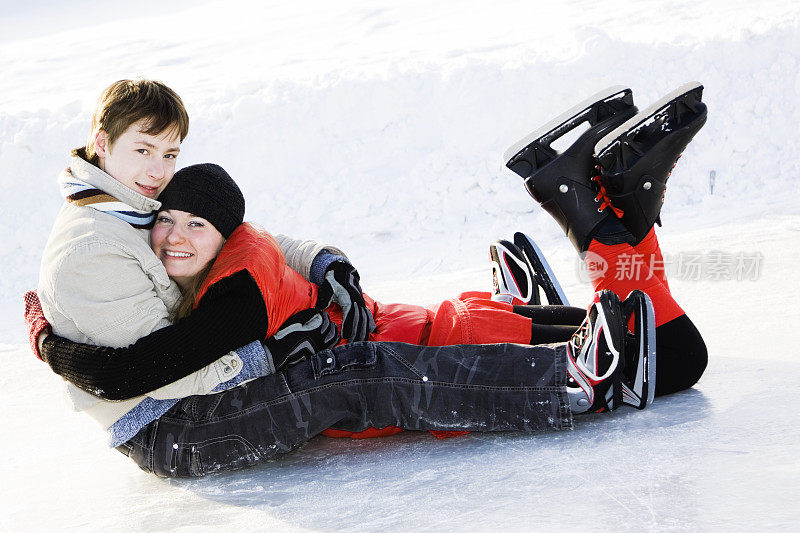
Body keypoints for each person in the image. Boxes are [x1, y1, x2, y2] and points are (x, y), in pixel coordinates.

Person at [28, 78, 371, 449]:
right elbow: (152, 371)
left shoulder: (130, 199)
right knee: (365, 375)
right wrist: (269, 357)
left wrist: (324, 262)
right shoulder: (93, 246)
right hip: (168, 421)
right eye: (143, 150)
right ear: (102, 142)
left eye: (169, 154)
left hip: (198, 381)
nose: (158, 171)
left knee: (366, 345)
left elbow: (231, 237)